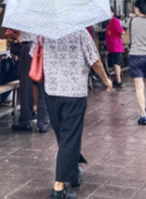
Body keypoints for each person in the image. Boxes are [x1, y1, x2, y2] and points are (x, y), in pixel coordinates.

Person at [40, 29, 112, 199]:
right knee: (70, 136)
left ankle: (72, 171)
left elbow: (35, 55)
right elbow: (95, 61)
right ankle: (58, 187)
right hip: (74, 93)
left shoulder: (45, 33)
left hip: (51, 91)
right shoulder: (81, 33)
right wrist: (105, 79)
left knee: (63, 135)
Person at [127, 0, 146, 126]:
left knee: (139, 87)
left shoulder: (132, 21)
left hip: (135, 55)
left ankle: (143, 116)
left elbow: (130, 36)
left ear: (138, 8)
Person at [11, 30, 50, 133]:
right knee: (43, 84)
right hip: (44, 47)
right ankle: (43, 122)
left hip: (28, 47)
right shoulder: (46, 15)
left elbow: (16, 32)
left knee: (26, 85)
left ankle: (25, 120)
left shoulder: (25, 15)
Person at [105, 11, 125, 88]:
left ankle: (118, 81)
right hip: (112, 46)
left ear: (113, 13)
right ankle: (117, 79)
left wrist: (121, 36)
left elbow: (121, 31)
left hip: (115, 46)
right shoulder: (110, 22)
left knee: (116, 63)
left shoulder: (115, 20)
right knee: (115, 63)